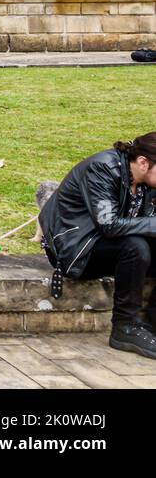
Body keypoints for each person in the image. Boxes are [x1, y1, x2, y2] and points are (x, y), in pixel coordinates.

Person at [39, 132, 156, 359]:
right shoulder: (102, 169)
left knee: (136, 245)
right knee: (135, 246)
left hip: (114, 246)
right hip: (77, 249)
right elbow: (108, 225)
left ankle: (151, 323)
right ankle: (125, 327)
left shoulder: (148, 182)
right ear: (143, 162)